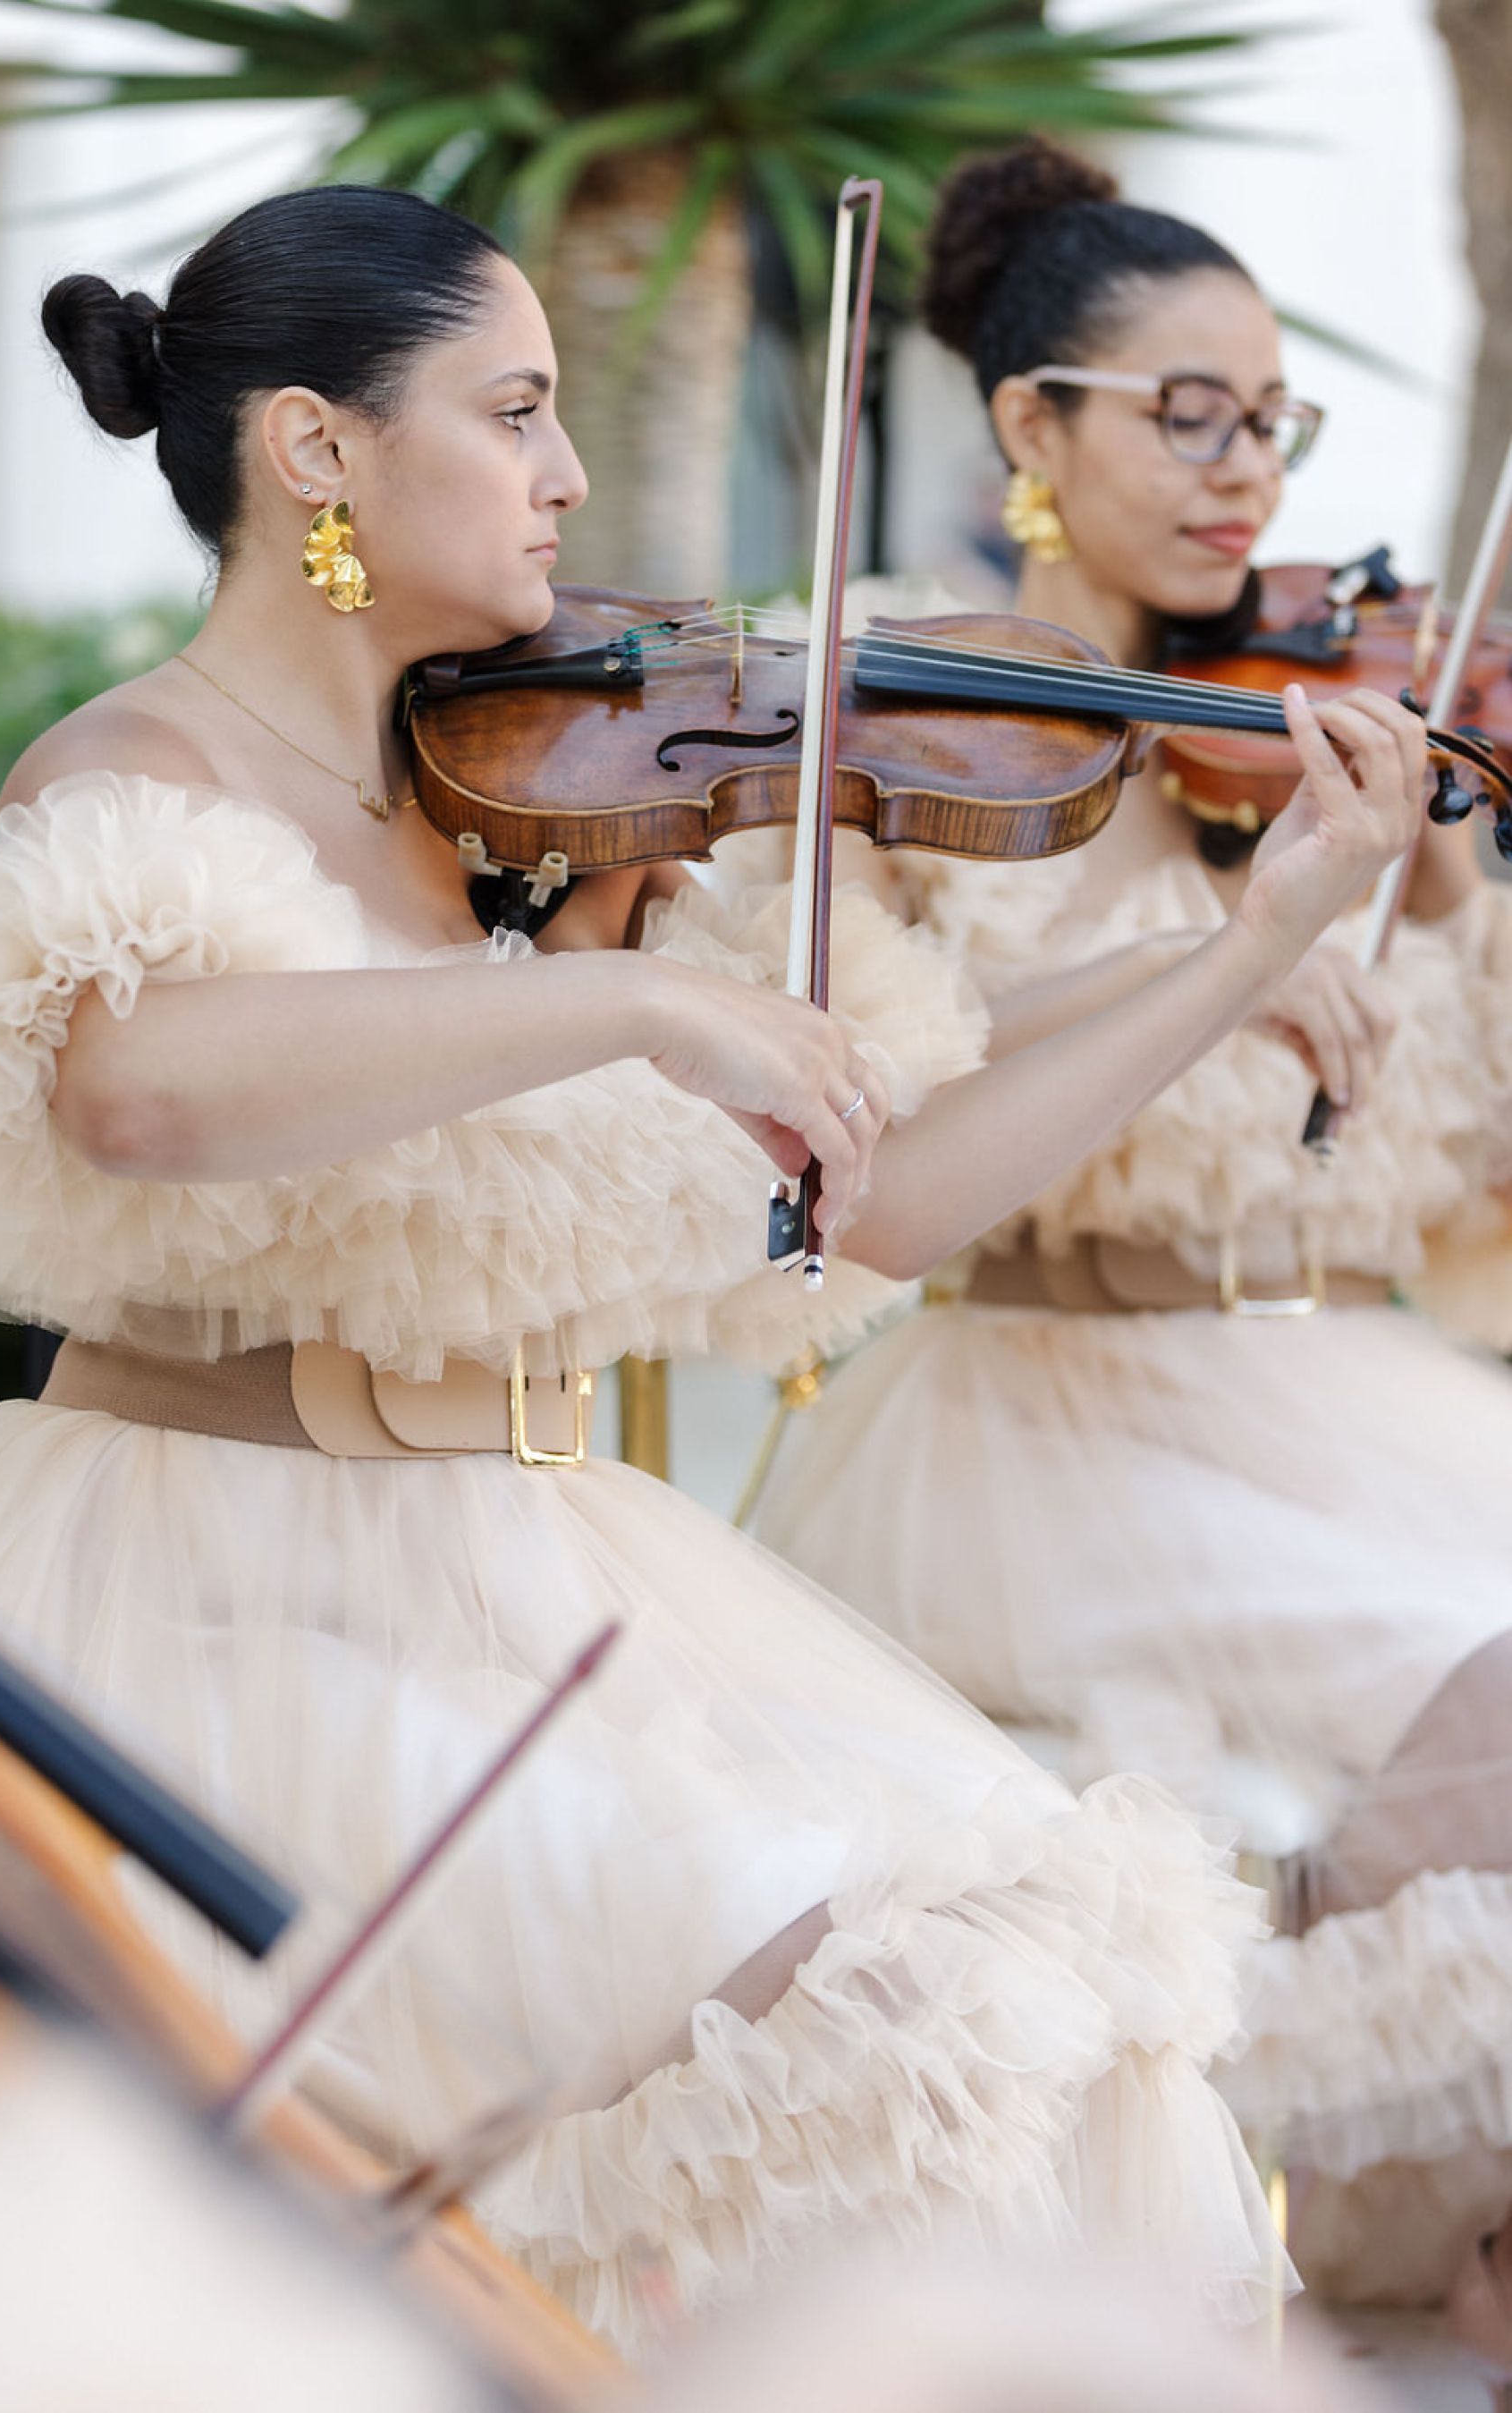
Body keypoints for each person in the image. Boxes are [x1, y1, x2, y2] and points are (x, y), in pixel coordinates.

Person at [0, 183, 1421, 2355]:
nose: (570, 475)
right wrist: (624, 1006)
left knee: (1055, 1964)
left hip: (514, 1568)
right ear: (319, 451)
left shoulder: (529, 820)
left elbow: (868, 1196)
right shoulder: (135, 768)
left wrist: (1258, 936)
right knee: (895, 1986)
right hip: (206, 1594)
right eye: (514, 411)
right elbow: (144, 1089)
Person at [752, 139, 1512, 2333]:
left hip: (1309, 1385)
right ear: (1026, 424)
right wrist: (1214, 953)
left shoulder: (1279, 728)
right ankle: (1413, 2248)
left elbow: (1427, 1159)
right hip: (1048, 1416)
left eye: (1271, 422)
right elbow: (865, 1062)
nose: (1243, 472)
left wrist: (1446, 889)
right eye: (1188, 413)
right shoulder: (904, 699)